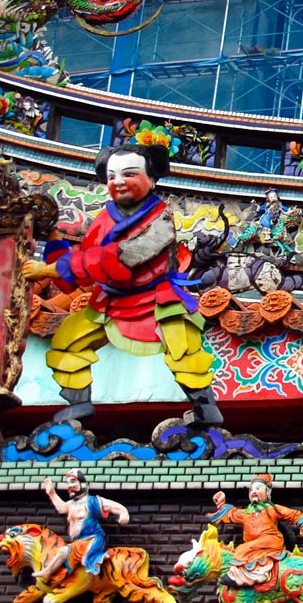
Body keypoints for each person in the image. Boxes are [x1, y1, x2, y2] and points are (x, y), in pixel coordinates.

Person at [21, 143, 223, 426]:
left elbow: (124, 258)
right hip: (109, 301)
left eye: (129, 174)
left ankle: (205, 410)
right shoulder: (104, 219)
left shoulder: (161, 220)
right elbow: (84, 269)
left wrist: (53, 268)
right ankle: (79, 404)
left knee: (184, 351)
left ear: (151, 180)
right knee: (67, 342)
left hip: (156, 299)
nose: (118, 182)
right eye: (112, 175)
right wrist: (54, 239)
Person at [209, 473, 303, 586]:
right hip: (253, 545)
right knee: (244, 548)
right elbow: (231, 514)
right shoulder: (246, 512)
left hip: (270, 540)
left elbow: (292, 515)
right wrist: (221, 503)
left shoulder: (272, 508)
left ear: (267, 492)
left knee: (242, 549)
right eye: (252, 490)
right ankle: (252, 573)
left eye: (258, 488)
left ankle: (239, 577)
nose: (254, 492)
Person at [32, 469, 130, 580]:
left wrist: (124, 513)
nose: (69, 486)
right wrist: (51, 492)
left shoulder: (92, 501)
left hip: (91, 539)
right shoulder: (71, 504)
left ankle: (47, 572)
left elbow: (112, 506)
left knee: (64, 551)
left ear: (83, 483)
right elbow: (61, 508)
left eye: (73, 481)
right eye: (68, 483)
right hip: (79, 541)